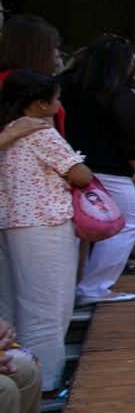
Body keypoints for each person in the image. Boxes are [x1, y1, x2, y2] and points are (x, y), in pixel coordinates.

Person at [0, 73, 94, 392]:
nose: (58, 104)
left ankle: (16, 371)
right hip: (45, 223)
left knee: (13, 302)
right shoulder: (40, 131)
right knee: (48, 307)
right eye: (55, 98)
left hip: (10, 222)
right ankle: (45, 381)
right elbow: (80, 174)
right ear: (41, 103)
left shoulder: (7, 130)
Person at [59, 36, 135, 304]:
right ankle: (93, 287)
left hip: (66, 167)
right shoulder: (119, 96)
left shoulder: (63, 88)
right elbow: (133, 144)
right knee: (128, 222)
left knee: (73, 230)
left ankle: (65, 290)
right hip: (110, 173)